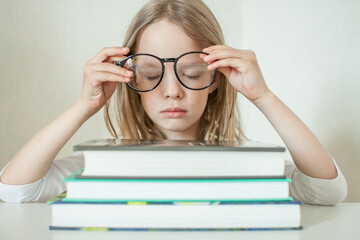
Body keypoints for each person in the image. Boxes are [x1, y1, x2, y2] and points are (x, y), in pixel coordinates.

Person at [0, 0, 346, 204]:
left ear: (216, 78)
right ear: (128, 76)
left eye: (192, 74)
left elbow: (326, 190)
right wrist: (84, 106)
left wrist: (263, 96)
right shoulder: (105, 167)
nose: (171, 90)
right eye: (151, 74)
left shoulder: (243, 167)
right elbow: (16, 190)